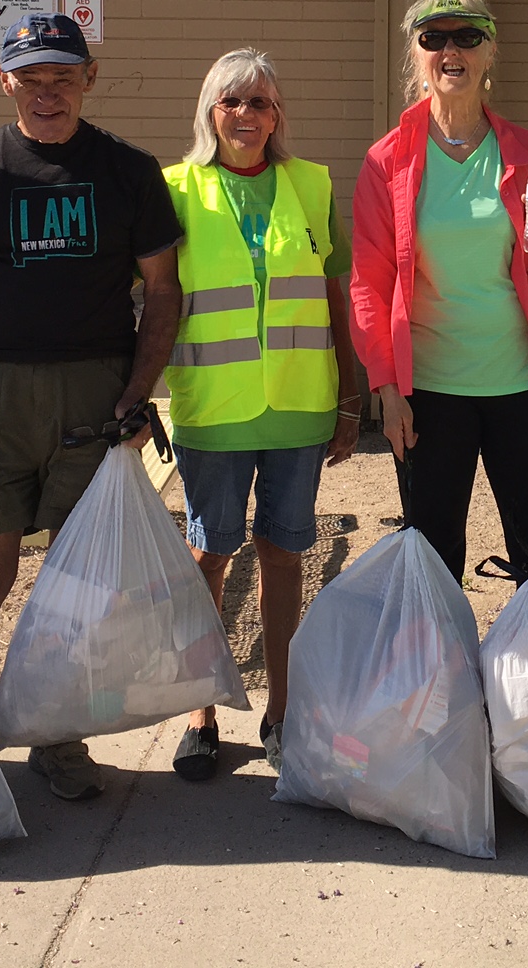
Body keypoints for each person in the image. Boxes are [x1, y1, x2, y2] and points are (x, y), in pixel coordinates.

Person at [0, 12, 184, 804]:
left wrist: (137, 391)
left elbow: (161, 292)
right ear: (5, 80)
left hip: (95, 395)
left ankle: (58, 736)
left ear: (88, 78)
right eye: (32, 77)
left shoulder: (127, 170)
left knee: (76, 582)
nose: (48, 92)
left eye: (63, 76)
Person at [161, 49, 362, 782]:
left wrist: (350, 394)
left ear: (278, 115)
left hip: (299, 408)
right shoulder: (175, 189)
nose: (247, 115)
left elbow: (336, 297)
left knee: (283, 555)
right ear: (209, 111)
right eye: (232, 102)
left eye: (261, 103)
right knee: (209, 557)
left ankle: (282, 709)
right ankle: (202, 712)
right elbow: (151, 304)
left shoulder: (310, 185)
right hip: (213, 409)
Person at [350, 0, 528, 584]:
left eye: (468, 36)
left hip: (519, 382)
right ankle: (442, 678)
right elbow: (368, 283)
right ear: (417, 54)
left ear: (491, 50)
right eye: (435, 37)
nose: (452, 51)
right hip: (430, 389)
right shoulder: (387, 159)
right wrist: (386, 386)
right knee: (432, 558)